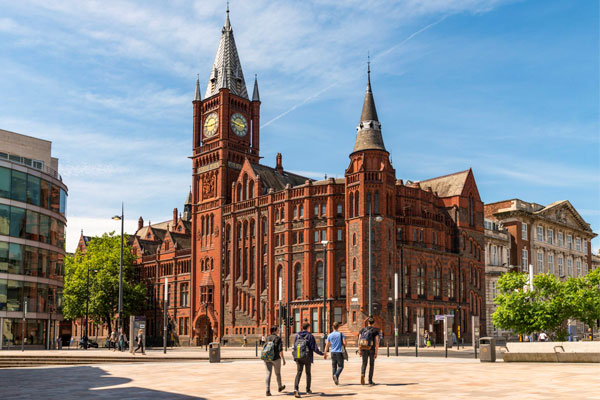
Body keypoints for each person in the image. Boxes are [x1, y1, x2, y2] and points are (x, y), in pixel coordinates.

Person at [293, 322, 325, 398]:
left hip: (298, 356)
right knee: (308, 373)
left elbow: (294, 347)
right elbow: (314, 348)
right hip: (307, 357)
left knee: (299, 372)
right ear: (308, 327)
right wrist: (322, 353)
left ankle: (296, 389)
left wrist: (295, 357)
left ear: (302, 327)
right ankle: (308, 389)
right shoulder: (310, 336)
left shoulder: (297, 336)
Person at [262, 326, 286, 396]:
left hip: (267, 358)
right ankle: (280, 387)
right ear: (275, 330)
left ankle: (267, 390)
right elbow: (280, 350)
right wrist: (283, 359)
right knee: (277, 373)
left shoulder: (268, 338)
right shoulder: (278, 338)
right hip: (276, 358)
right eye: (278, 329)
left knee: (268, 373)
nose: (279, 330)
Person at [358, 317, 379, 386]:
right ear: (374, 323)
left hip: (364, 348)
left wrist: (359, 349)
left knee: (364, 363)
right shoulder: (375, 330)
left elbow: (359, 340)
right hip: (371, 349)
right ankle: (370, 381)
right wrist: (376, 352)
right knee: (371, 364)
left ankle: (362, 374)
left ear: (368, 322)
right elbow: (377, 342)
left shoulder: (363, 330)